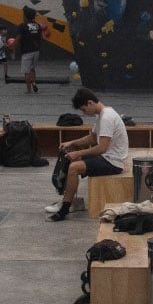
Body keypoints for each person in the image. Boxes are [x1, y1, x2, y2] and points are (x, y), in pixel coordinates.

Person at [45, 88, 129, 222]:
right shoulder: (102, 115)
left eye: (84, 109)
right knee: (69, 159)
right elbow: (92, 138)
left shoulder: (107, 117)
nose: (84, 113)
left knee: (74, 167)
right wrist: (71, 143)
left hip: (113, 162)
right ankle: (73, 201)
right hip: (107, 157)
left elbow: (102, 148)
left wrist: (78, 152)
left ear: (90, 103)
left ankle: (64, 210)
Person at [14, 6, 41, 94]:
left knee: (26, 72)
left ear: (25, 16)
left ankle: (29, 90)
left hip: (27, 52)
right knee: (32, 69)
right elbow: (39, 38)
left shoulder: (22, 26)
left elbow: (18, 39)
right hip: (36, 51)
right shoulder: (37, 25)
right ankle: (34, 83)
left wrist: (12, 47)